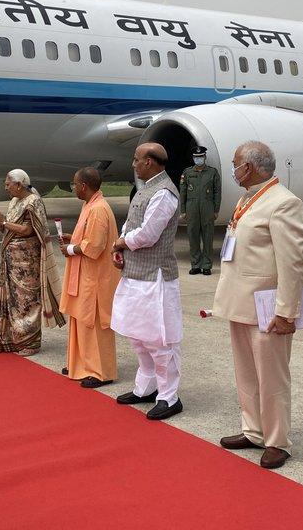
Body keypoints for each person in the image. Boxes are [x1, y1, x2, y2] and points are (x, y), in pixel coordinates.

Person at [213, 141, 303, 469]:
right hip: (240, 303)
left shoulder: (284, 203)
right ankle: (253, 430)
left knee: (272, 379)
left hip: (268, 309)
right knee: (247, 375)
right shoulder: (248, 199)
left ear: (249, 168)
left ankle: (277, 440)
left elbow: (293, 264)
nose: (234, 169)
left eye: (236, 164)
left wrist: (286, 311)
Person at [111, 143, 183, 421]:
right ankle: (146, 388)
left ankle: (169, 396)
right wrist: (120, 249)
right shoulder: (145, 187)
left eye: (136, 159)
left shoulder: (164, 193)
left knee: (160, 340)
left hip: (156, 277)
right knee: (137, 336)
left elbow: (147, 235)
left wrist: (119, 243)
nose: (133, 163)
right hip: (135, 273)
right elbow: (131, 225)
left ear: (150, 162)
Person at [0, 169, 65, 355]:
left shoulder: (33, 201)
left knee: (27, 299)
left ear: (19, 184)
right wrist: (0, 223)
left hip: (27, 262)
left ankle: (30, 342)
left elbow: (28, 230)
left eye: (8, 184)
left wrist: (4, 222)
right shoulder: (15, 201)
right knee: (11, 299)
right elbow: (10, 229)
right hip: (11, 259)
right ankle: (10, 337)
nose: (6, 188)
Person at [58, 167, 120, 388]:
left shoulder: (98, 209)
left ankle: (101, 371)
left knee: (93, 323)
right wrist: (72, 238)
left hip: (95, 277)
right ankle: (82, 364)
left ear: (84, 186)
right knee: (81, 320)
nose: (73, 188)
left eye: (75, 184)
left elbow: (94, 246)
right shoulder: (90, 205)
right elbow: (88, 236)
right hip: (84, 275)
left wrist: (72, 249)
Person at [179, 145, 221, 275]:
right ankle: (195, 264)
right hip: (191, 207)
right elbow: (183, 192)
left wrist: (216, 209)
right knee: (193, 236)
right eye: (196, 157)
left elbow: (217, 192)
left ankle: (207, 265)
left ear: (205, 157)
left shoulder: (212, 172)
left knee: (208, 236)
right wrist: (183, 210)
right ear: (193, 158)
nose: (198, 159)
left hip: (207, 206)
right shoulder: (187, 172)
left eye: (200, 157)